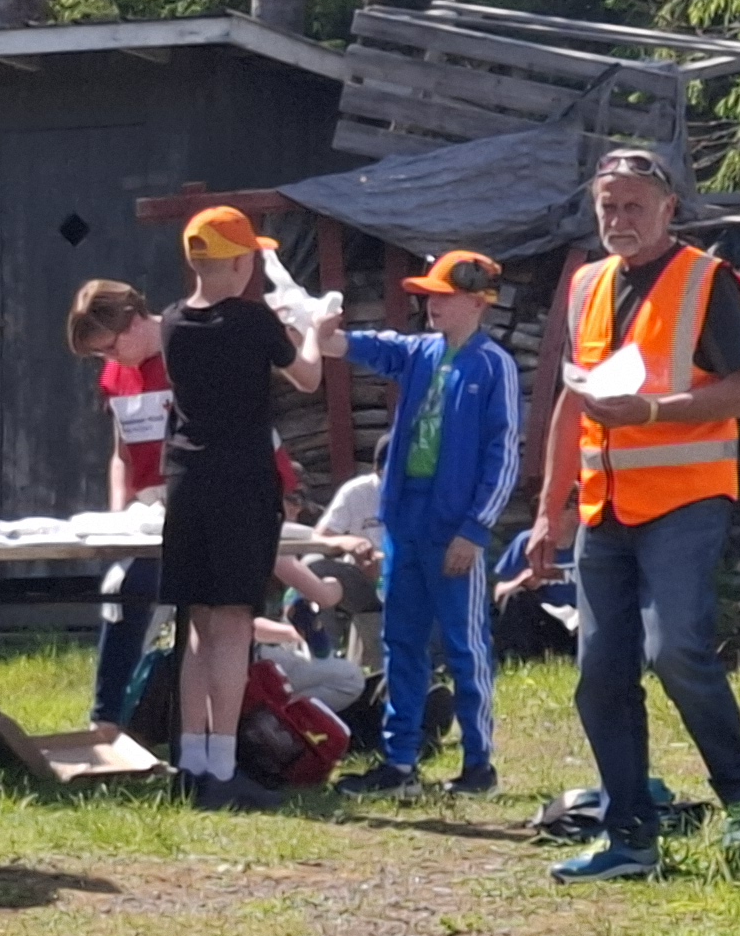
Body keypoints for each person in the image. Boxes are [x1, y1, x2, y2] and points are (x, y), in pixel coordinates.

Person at [527, 146, 740, 879]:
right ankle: (630, 838)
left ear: (671, 208)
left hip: (687, 500)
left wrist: (651, 411)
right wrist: (550, 509)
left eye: (634, 205)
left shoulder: (709, 281)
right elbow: (573, 399)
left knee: (674, 650)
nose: (619, 218)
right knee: (599, 673)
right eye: (608, 205)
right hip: (605, 508)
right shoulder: (586, 285)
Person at [158, 206, 339, 811]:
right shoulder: (255, 321)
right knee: (235, 623)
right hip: (240, 480)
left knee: (197, 628)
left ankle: (190, 760)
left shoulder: (172, 323)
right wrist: (311, 330)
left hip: (186, 477)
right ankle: (225, 765)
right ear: (238, 262)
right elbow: (308, 378)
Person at [335, 251, 523, 796]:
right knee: (401, 643)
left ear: (476, 299)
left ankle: (478, 765)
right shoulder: (419, 351)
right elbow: (367, 347)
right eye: (428, 296)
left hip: (453, 530)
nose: (431, 304)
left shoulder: (493, 365)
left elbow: (502, 453)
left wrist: (474, 529)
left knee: (465, 647)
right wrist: (324, 332)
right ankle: (400, 764)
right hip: (406, 524)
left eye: (442, 296)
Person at [66, 279, 176, 724]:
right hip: (145, 511)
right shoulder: (115, 375)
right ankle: (107, 718)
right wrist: (117, 518)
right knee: (121, 587)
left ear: (133, 322)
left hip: (194, 500)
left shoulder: (182, 348)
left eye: (110, 348)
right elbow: (121, 453)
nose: (108, 361)